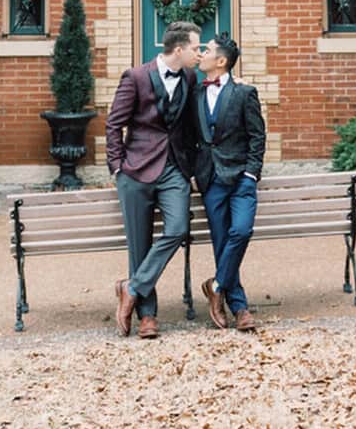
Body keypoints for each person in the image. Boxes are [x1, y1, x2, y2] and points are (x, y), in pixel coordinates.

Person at [105, 20, 201, 338]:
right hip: (135, 170)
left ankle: (131, 287)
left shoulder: (189, 76)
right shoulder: (135, 77)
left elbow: (190, 123)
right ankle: (148, 316)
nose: (198, 54)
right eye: (195, 48)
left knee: (178, 229)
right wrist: (117, 166)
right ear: (178, 49)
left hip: (174, 168)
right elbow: (113, 123)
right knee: (139, 244)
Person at [190, 32, 266, 331]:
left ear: (220, 61)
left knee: (242, 230)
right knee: (222, 241)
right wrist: (194, 173)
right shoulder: (195, 92)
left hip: (241, 180)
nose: (202, 54)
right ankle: (240, 308)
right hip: (210, 179)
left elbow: (258, 137)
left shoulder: (244, 94)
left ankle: (217, 284)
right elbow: (187, 139)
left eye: (206, 51)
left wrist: (250, 174)